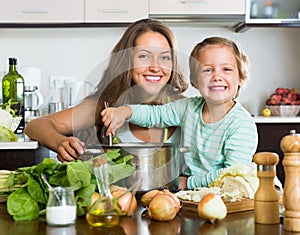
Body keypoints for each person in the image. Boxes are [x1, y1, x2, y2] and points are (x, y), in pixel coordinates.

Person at [101, 36, 259, 190]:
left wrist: (188, 183)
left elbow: (232, 175)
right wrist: (126, 111)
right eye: (207, 70)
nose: (216, 76)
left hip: (224, 198)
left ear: (240, 78)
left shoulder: (241, 124)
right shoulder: (188, 108)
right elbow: (156, 115)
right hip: (189, 195)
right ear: (195, 81)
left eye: (226, 69)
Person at [24, 18, 188, 162]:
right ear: (126, 62)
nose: (155, 67)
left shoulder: (185, 108)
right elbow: (35, 126)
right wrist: (60, 143)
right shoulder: (105, 105)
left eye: (165, 57)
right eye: (144, 56)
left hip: (176, 197)